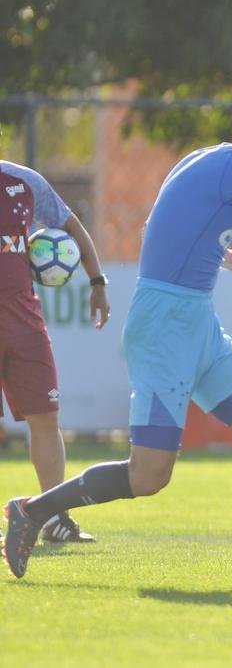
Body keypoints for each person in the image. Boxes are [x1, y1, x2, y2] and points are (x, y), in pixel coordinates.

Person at [2, 107, 232, 585]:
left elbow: (162, 224)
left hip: (196, 321)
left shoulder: (207, 162)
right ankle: (31, 510)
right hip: (164, 328)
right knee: (149, 475)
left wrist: (229, 257)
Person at [0, 160, 109, 546]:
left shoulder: (25, 182)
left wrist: (97, 281)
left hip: (24, 322)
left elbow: (72, 227)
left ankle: (54, 519)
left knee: (45, 418)